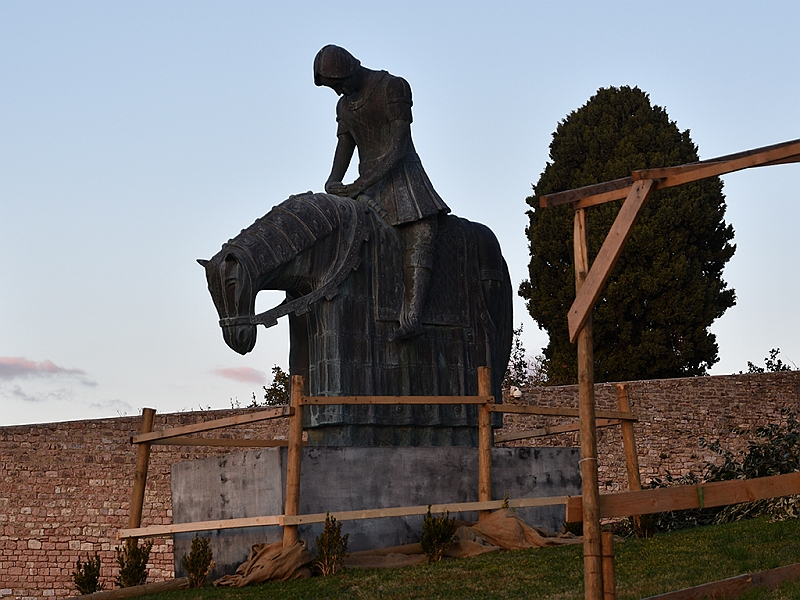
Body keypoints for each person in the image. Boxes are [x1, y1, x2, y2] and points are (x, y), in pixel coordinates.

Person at [314, 44, 450, 341]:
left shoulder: (393, 87)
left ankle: (412, 316)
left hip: (404, 179)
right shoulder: (344, 105)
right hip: (366, 184)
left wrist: (357, 185)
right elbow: (345, 144)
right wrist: (333, 180)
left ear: (348, 70)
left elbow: (398, 148)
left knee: (421, 234)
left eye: (337, 85)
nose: (337, 92)